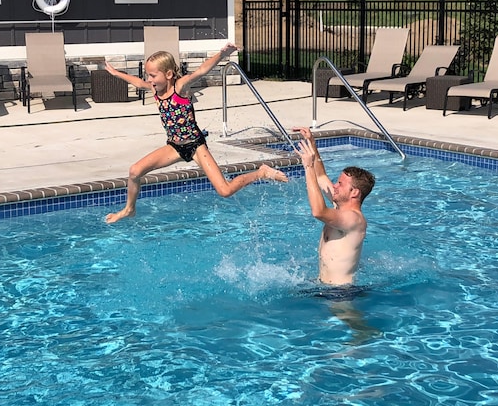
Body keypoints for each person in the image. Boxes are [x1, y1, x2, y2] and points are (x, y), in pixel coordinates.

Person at [103, 43, 288, 224]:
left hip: (195, 146)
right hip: (174, 147)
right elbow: (138, 82)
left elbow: (201, 70)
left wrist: (222, 55)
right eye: (148, 75)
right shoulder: (154, 89)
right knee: (134, 171)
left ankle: (261, 173)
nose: (149, 79)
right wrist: (116, 73)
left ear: (168, 74)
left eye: (152, 75)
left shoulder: (179, 87)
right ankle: (129, 209)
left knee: (225, 191)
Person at [293, 127, 375, 286]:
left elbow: (318, 212)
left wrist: (308, 167)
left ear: (354, 192)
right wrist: (311, 142)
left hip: (341, 294)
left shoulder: (354, 220)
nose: (335, 186)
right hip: (321, 285)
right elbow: (321, 176)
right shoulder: (339, 206)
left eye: (340, 184)